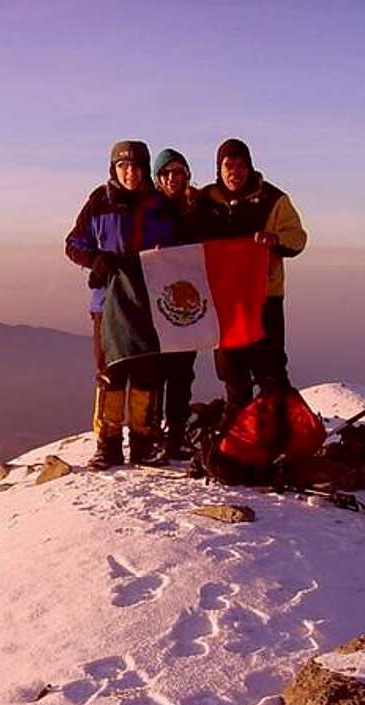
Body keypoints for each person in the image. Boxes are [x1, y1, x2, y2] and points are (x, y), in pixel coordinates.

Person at [66, 140, 181, 470]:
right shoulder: (99, 202)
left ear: (145, 169)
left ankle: (143, 443)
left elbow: (179, 247)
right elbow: (74, 243)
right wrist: (96, 260)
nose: (130, 172)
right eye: (122, 166)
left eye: (135, 166)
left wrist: (166, 255)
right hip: (108, 302)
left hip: (149, 303)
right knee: (111, 373)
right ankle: (109, 444)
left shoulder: (160, 206)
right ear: (113, 169)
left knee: (147, 373)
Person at [199, 138, 307, 413]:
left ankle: (283, 429)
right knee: (231, 370)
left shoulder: (273, 199)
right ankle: (241, 434)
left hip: (264, 298)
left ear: (249, 166)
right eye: (228, 165)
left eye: (240, 165)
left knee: (271, 370)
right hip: (224, 302)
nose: (234, 171)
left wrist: (274, 240)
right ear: (218, 169)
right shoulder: (206, 200)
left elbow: (297, 238)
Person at [151, 148, 200, 459]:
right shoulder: (149, 211)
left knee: (182, 370)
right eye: (167, 173)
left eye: (178, 171)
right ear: (159, 178)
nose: (173, 178)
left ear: (187, 175)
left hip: (191, 303)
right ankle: (153, 433)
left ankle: (177, 433)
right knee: (156, 369)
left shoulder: (199, 209)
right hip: (156, 302)